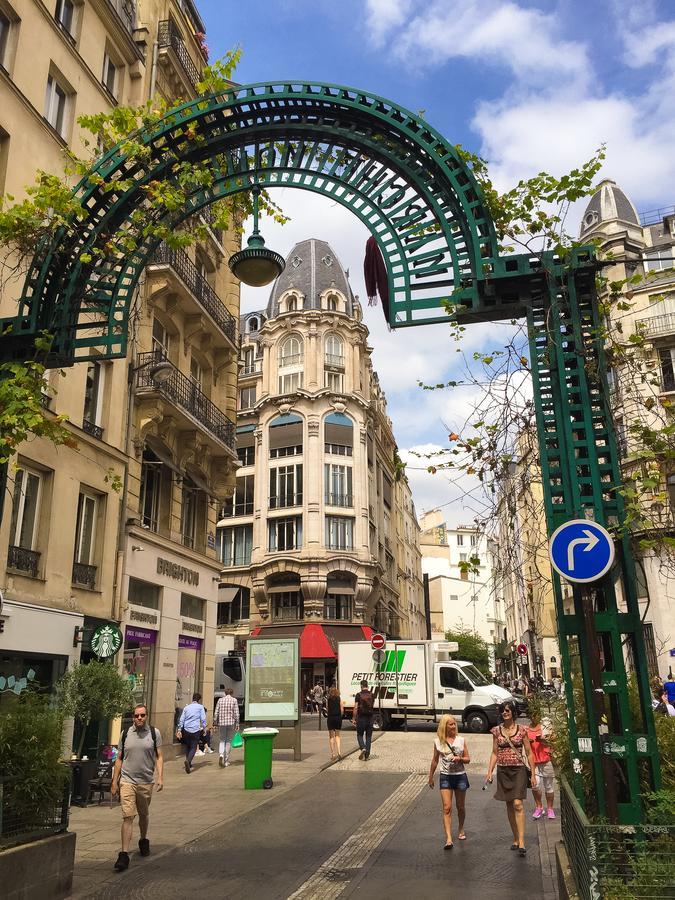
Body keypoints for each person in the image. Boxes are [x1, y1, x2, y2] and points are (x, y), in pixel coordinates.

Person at [111, 704, 163, 872]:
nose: (139, 718)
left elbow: (159, 756)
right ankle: (124, 854)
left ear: (147, 716)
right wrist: (114, 781)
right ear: (132, 717)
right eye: (136, 716)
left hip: (146, 781)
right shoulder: (125, 734)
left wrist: (160, 777)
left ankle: (143, 840)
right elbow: (119, 758)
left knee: (144, 814)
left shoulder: (155, 734)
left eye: (142, 715)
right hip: (127, 781)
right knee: (128, 816)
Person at [486, 699, 536, 857]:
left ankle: (521, 841)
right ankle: (515, 837)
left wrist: (533, 774)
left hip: (518, 769)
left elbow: (529, 753)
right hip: (503, 770)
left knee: (517, 804)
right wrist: (489, 771)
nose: (505, 712)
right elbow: (495, 752)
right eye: (503, 710)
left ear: (513, 712)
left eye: (508, 710)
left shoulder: (522, 730)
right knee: (509, 805)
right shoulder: (496, 731)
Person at [428, 714, 471, 848]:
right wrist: (430, 776)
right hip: (445, 776)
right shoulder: (438, 742)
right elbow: (435, 760)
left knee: (460, 806)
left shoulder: (461, 740)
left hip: (460, 776)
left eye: (454, 724)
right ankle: (448, 838)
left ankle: (461, 828)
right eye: (450, 724)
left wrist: (460, 759)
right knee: (447, 807)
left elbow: (468, 759)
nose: (453, 726)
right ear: (444, 726)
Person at [527, 709, 556, 819]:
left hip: (546, 760)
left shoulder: (545, 727)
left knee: (549, 786)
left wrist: (543, 740)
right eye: (532, 715)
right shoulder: (526, 729)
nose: (534, 717)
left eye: (536, 715)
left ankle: (550, 808)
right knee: (535, 785)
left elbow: (553, 741)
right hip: (534, 761)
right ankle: (539, 807)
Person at [176, 692, 207, 774]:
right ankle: (188, 760)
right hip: (195, 729)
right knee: (193, 747)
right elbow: (203, 719)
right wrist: (204, 728)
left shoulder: (187, 707)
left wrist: (179, 730)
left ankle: (189, 763)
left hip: (186, 729)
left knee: (188, 746)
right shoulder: (200, 707)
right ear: (199, 700)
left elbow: (182, 719)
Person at [213, 687, 240, 767]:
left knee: (222, 740)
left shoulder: (220, 700)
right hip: (230, 722)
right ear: (232, 693)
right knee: (228, 741)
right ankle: (226, 760)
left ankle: (221, 755)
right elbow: (236, 713)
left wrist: (215, 722)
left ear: (225, 693)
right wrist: (237, 723)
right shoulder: (234, 700)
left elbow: (216, 712)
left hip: (222, 723)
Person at [352, 679, 375, 760]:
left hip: (361, 718)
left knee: (359, 735)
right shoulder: (372, 694)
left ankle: (363, 748)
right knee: (368, 737)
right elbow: (372, 706)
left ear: (361, 686)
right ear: (367, 686)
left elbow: (355, 708)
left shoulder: (358, 695)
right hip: (370, 718)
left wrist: (354, 718)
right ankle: (367, 756)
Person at [326, 687, 345, 760]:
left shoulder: (328, 699)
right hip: (337, 717)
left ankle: (333, 754)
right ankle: (339, 752)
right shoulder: (339, 698)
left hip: (330, 718)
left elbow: (327, 708)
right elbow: (342, 709)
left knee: (331, 736)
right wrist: (341, 715)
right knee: (337, 735)